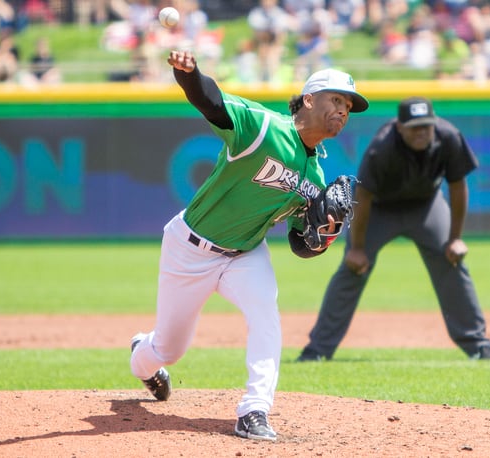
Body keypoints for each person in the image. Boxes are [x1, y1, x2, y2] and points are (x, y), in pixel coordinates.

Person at [128, 50, 368, 442]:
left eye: (348, 107)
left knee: (266, 314)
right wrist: (190, 75)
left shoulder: (315, 176)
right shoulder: (261, 127)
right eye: (337, 101)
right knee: (167, 349)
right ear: (309, 100)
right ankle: (144, 355)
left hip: (245, 253)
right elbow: (213, 103)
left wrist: (322, 237)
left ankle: (254, 410)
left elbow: (299, 243)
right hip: (189, 248)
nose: (343, 111)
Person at [297, 97, 490, 363]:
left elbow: (458, 186)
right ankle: (317, 349)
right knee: (353, 268)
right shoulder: (382, 147)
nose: (421, 132)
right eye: (415, 127)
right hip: (380, 210)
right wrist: (357, 249)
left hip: (426, 206)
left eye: (426, 126)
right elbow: (364, 196)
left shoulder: (448, 136)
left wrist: (455, 239)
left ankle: (478, 346)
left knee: (452, 261)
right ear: (400, 127)